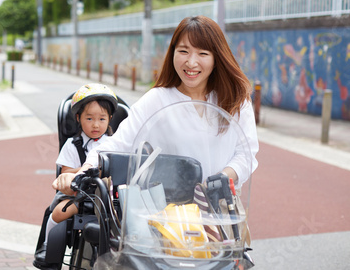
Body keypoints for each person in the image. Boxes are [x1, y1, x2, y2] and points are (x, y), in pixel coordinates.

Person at [53, 15, 259, 196]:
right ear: (172, 53)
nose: (191, 62)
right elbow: (118, 143)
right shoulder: (157, 100)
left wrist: (221, 180)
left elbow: (246, 153)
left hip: (222, 208)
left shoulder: (236, 99)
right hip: (171, 213)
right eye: (184, 51)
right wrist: (86, 168)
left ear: (216, 58)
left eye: (203, 54)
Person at [34, 83, 119, 269]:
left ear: (110, 119)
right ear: (79, 118)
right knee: (58, 212)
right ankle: (48, 246)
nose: (96, 124)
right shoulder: (73, 145)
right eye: (89, 118)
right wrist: (84, 169)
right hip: (78, 195)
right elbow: (65, 172)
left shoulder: (114, 143)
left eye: (102, 119)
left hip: (108, 199)